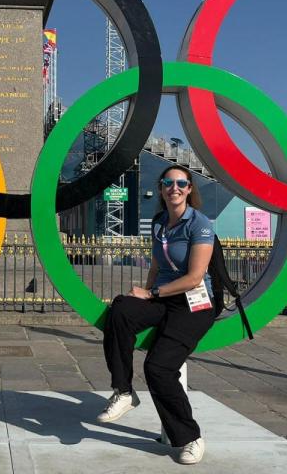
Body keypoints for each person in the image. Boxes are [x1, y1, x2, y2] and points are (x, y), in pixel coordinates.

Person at [98, 164, 215, 466]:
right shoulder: (160, 222)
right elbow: (155, 265)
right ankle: (124, 392)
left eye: (181, 183)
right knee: (121, 308)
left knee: (158, 368)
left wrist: (151, 294)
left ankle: (190, 438)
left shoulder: (199, 224)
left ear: (189, 189)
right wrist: (145, 293)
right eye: (168, 183)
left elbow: (194, 277)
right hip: (162, 297)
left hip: (193, 303)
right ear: (161, 189)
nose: (174, 188)